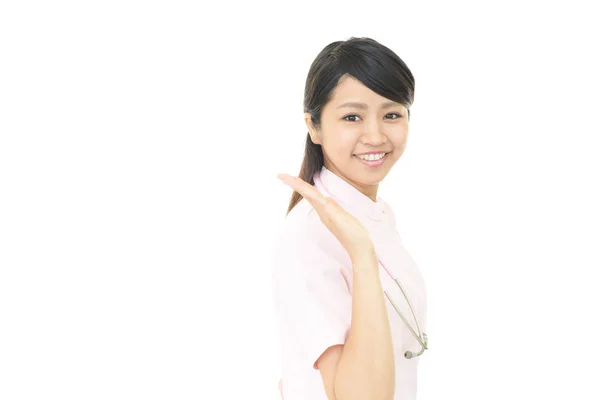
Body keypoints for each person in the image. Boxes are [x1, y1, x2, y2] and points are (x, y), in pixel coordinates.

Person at [271, 37, 428, 400]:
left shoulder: (373, 214)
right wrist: (361, 254)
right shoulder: (310, 236)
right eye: (352, 117)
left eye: (392, 114)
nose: (375, 136)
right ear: (314, 126)